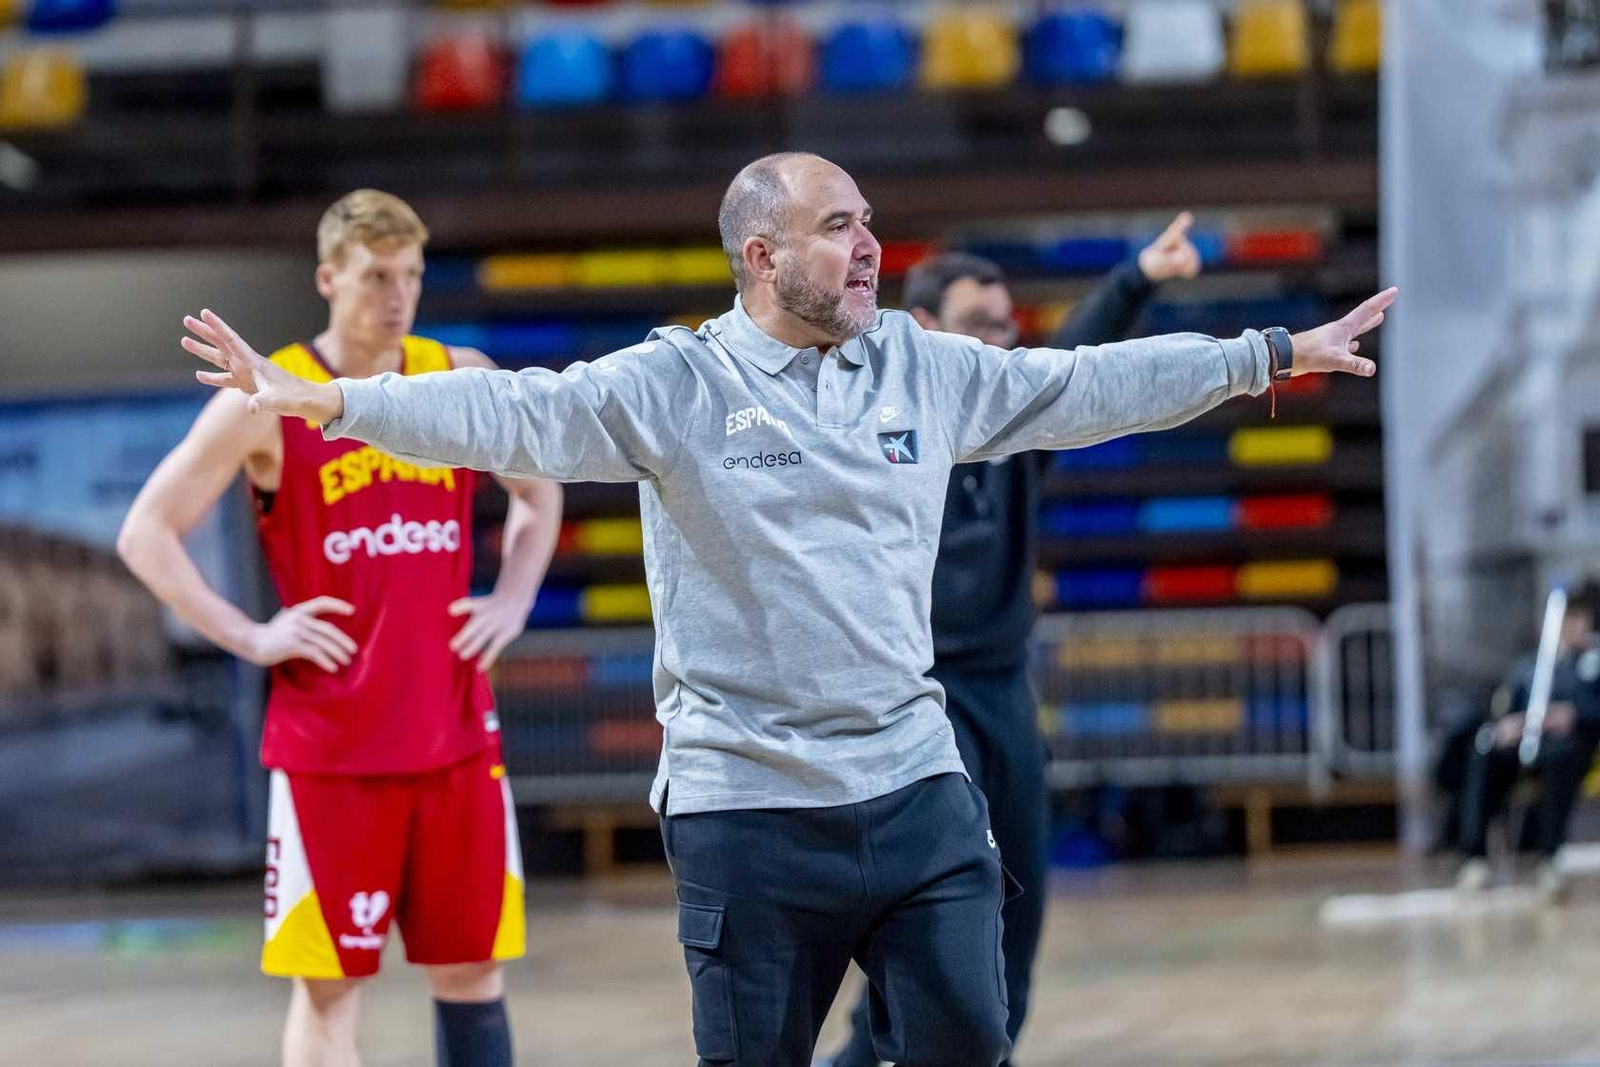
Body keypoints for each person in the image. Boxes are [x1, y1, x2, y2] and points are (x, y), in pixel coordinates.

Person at [179, 152, 1392, 1067]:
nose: (866, 246)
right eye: (835, 228)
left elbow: (1084, 383)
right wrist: (326, 402)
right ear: (761, 256)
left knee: (974, 1036)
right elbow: (509, 416)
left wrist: (1268, 351)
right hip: (746, 805)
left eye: (867, 224)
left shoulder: (923, 363)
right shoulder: (675, 382)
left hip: (916, 785)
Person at [117, 189, 562, 1067]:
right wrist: (249, 634)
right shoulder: (269, 393)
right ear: (328, 277)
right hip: (332, 750)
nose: (398, 296)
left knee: (472, 970)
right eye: (376, 275)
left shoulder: (455, 372)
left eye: (412, 276)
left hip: (455, 736)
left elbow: (540, 492)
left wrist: (513, 597)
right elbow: (146, 532)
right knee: (329, 989)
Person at [824, 214, 1202, 1067]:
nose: (999, 338)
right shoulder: (877, 432)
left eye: (1005, 324)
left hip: (1005, 698)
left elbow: (1082, 356)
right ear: (923, 330)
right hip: (919, 705)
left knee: (1015, 931)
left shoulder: (1016, 434)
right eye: (978, 322)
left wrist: (1138, 276)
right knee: (928, 940)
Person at [1456, 580, 1600, 900]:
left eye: (1581, 619)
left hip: (1570, 749)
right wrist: (1509, 726)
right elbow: (1508, 708)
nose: (1575, 626)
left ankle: (1549, 858)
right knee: (1484, 751)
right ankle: (1475, 858)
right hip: (1526, 744)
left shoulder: (1593, 665)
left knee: (1562, 757)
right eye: (1569, 619)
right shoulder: (1529, 667)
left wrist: (1573, 714)